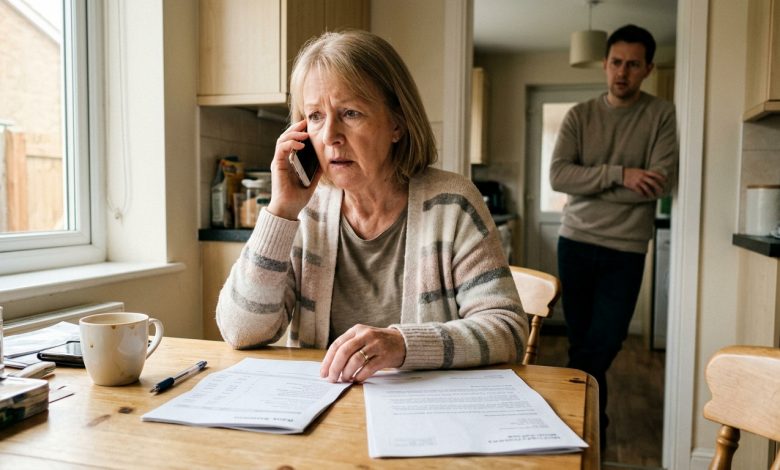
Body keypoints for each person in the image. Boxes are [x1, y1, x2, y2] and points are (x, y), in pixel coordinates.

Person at [216, 30, 528, 383]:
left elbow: (508, 331)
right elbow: (240, 331)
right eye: (315, 116)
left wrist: (402, 344)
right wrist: (281, 211)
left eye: (350, 113)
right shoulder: (305, 211)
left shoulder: (452, 204)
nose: (330, 135)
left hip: (423, 415)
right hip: (322, 414)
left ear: (397, 123)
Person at [549, 24, 678, 445]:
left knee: (602, 344)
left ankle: (582, 424)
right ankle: (590, 431)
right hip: (576, 243)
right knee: (580, 342)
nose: (622, 72)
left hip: (625, 249)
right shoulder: (580, 115)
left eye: (633, 65)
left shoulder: (661, 115)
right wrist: (622, 175)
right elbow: (558, 176)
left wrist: (591, 184)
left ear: (648, 69)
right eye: (616, 62)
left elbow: (658, 184)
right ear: (605, 64)